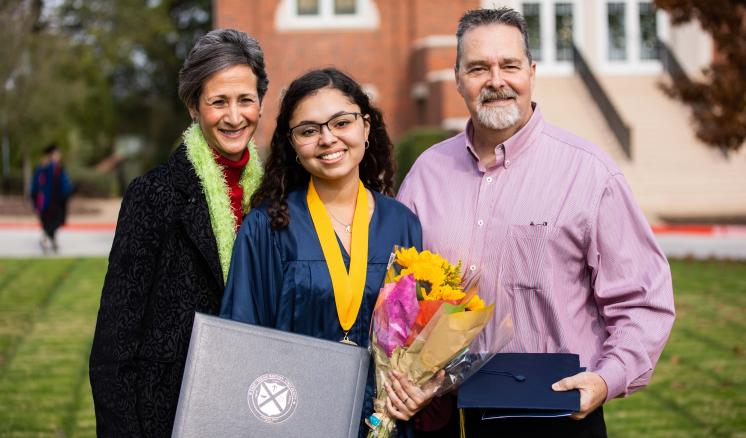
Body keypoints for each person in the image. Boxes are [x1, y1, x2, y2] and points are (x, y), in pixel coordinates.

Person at [396, 7, 676, 437]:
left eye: (509, 65)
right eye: (478, 68)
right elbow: (399, 293)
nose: (496, 80)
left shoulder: (589, 174)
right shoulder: (426, 174)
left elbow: (643, 301)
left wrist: (605, 379)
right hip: (446, 418)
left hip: (556, 416)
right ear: (457, 79)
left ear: (531, 71)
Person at [220, 68, 437, 437]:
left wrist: (421, 388)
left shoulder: (402, 224)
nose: (327, 139)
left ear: (365, 128)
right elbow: (240, 342)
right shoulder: (267, 227)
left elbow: (418, 339)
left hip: (383, 423)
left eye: (341, 122)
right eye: (308, 130)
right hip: (291, 420)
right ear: (292, 145)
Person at [89, 29, 267, 437]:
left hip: (253, 408)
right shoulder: (154, 195)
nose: (235, 116)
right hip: (167, 415)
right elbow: (112, 350)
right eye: (218, 102)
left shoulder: (277, 196)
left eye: (245, 99)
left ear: (260, 102)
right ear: (193, 107)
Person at [30, 143, 73, 253]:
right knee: (49, 222)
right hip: (46, 201)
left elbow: (64, 182)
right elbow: (37, 184)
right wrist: (35, 197)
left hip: (57, 200)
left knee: (55, 221)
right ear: (51, 155)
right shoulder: (44, 168)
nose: (58, 156)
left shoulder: (58, 168)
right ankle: (47, 240)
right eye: (56, 154)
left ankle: (50, 241)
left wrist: (69, 190)